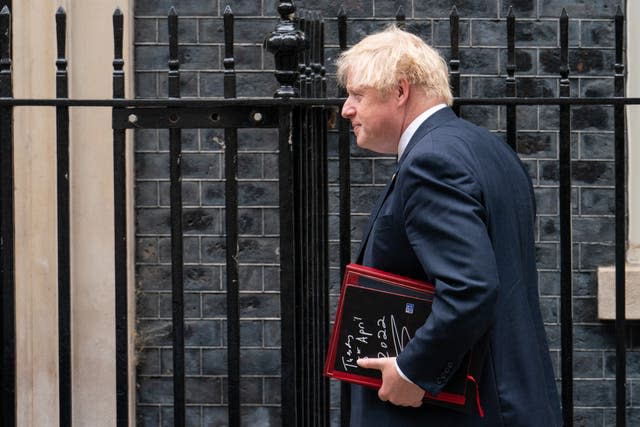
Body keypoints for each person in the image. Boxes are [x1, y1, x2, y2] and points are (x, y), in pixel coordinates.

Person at [336, 26, 562, 426]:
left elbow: (470, 287)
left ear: (400, 91)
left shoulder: (431, 162)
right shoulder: (490, 150)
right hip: (508, 397)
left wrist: (413, 371)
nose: (346, 110)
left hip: (459, 410)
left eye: (357, 94)